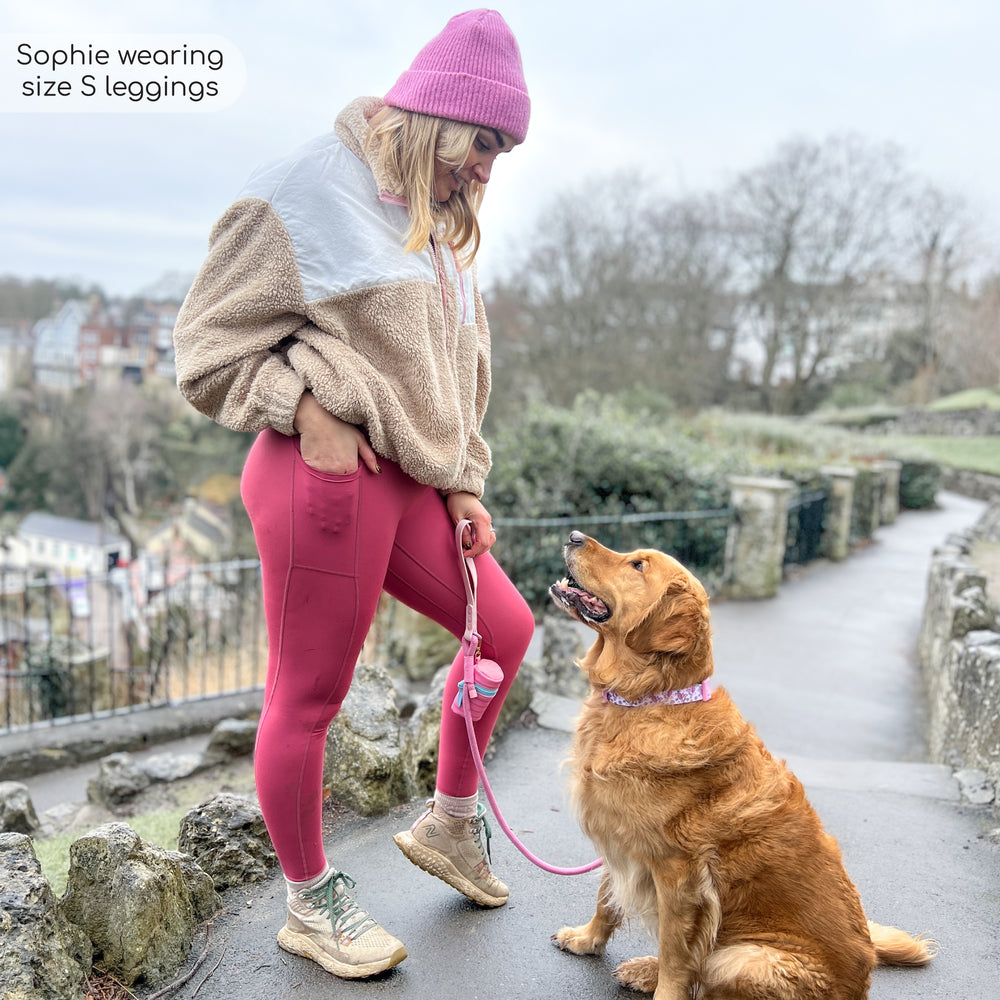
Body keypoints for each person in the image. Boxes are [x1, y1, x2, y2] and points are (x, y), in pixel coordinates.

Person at [172, 8, 535, 982]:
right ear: (432, 116)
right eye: (481, 143)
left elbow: (452, 372)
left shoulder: (439, 221)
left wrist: (462, 482)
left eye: (501, 153)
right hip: (320, 476)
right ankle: (309, 900)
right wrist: (301, 407)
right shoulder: (301, 191)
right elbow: (204, 351)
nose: (487, 170)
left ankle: (451, 822)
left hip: (411, 481)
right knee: (309, 694)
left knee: (502, 631)